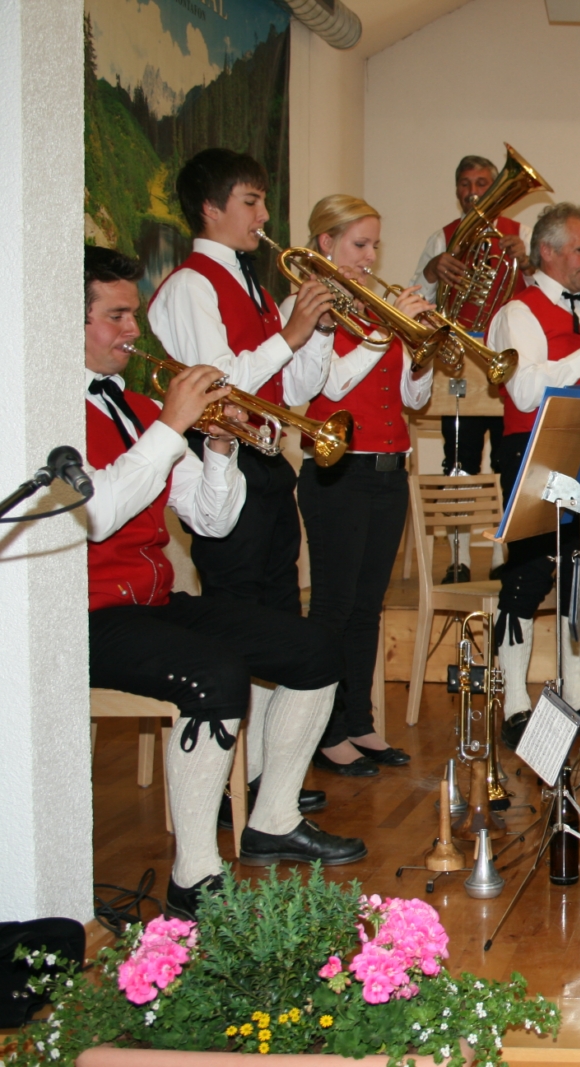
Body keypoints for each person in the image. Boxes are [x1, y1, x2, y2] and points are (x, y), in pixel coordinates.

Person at [83, 246, 362, 919]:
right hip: (83, 613)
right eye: (116, 316)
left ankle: (273, 818)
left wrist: (219, 447)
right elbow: (97, 515)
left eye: (132, 314)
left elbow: (212, 520)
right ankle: (195, 875)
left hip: (150, 600)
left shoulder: (136, 406)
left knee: (317, 648)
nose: (133, 329)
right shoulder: (42, 410)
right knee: (214, 675)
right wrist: (170, 426)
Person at [148, 148, 336, 615]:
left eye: (263, 201)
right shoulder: (190, 285)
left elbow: (292, 392)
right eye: (251, 201)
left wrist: (319, 333)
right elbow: (217, 384)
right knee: (238, 611)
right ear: (210, 209)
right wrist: (290, 336)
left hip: (268, 459)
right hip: (224, 461)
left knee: (282, 605)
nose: (264, 215)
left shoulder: (255, 288)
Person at [285, 195, 433, 776]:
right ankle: (324, 731)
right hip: (337, 474)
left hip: (389, 471)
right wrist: (385, 330)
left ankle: (360, 721)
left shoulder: (374, 308)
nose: (371, 257)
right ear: (325, 244)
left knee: (368, 607)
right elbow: (330, 385)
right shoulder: (305, 307)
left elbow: (412, 399)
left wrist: (418, 352)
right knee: (334, 606)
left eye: (375, 245)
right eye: (360, 244)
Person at [485, 202, 580, 720]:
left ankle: (577, 698)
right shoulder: (517, 313)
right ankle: (514, 703)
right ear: (547, 252)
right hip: (534, 454)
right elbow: (525, 391)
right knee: (527, 578)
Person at [411, 154, 534, 479]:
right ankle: (458, 513)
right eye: (465, 184)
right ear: (456, 191)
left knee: (510, 461)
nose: (473, 191)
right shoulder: (442, 238)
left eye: (482, 183)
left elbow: (547, 296)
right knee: (459, 463)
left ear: (495, 188)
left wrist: (527, 264)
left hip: (511, 362)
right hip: (461, 364)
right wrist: (432, 270)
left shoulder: (522, 234)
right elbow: (415, 303)